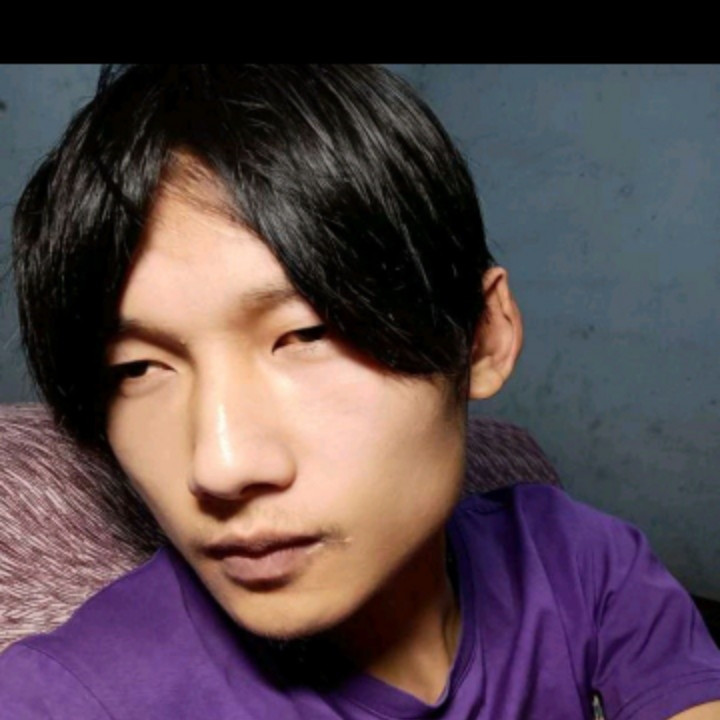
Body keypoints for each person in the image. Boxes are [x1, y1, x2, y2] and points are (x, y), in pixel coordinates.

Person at [1, 64, 719, 720]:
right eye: (136, 369)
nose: (219, 465)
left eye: (307, 334)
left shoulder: (576, 558)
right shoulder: (68, 696)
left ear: (481, 338)